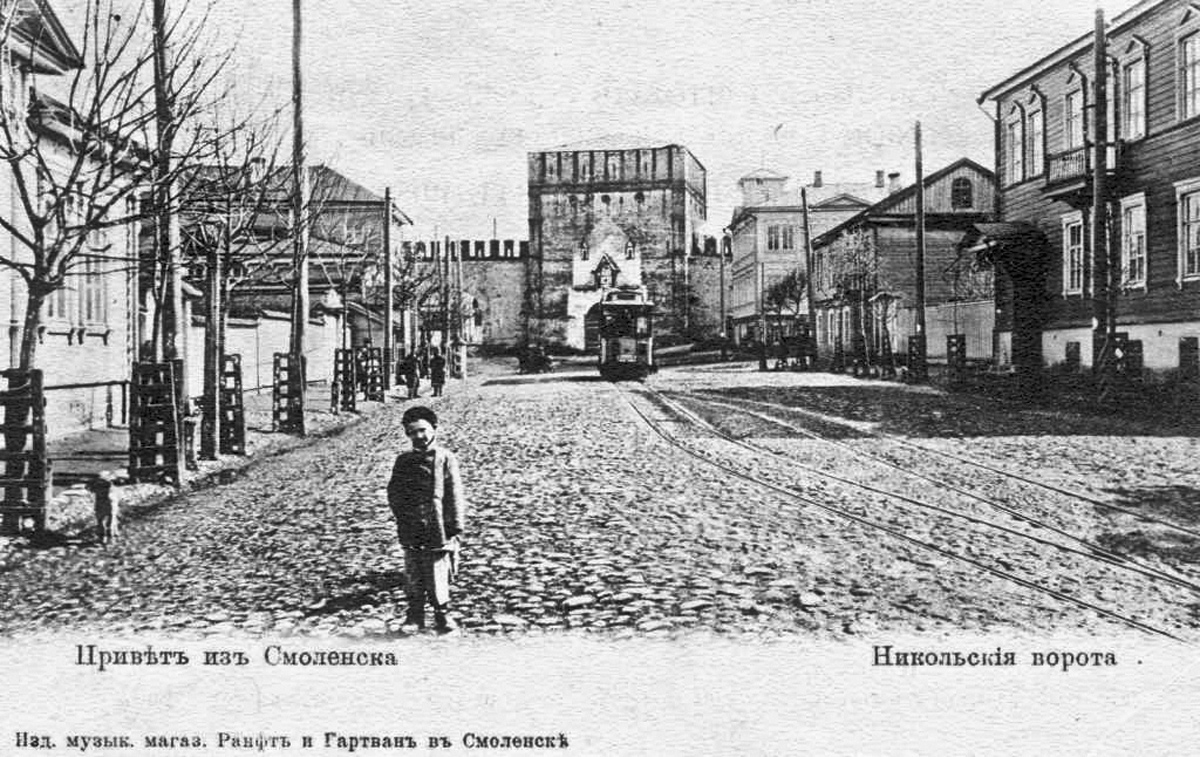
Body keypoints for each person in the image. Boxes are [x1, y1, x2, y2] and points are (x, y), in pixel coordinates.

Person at [387, 406, 466, 634]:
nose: (418, 436)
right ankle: (415, 615)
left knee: (438, 569)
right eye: (412, 432)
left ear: (434, 429)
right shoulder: (403, 461)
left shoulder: (445, 458)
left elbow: (455, 493)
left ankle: (443, 614)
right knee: (413, 570)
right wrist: (402, 515)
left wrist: (457, 525)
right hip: (411, 525)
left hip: (439, 524)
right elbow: (394, 492)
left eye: (422, 430)